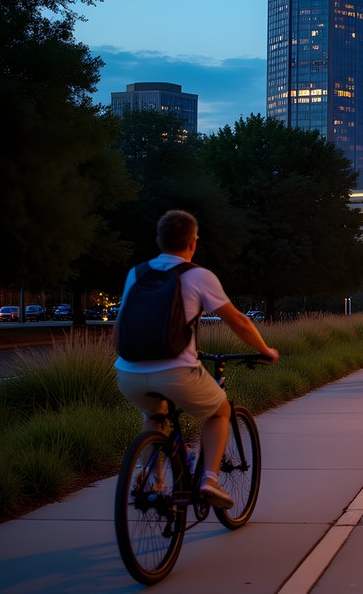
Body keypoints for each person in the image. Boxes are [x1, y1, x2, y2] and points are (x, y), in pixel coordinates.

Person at [113, 210, 279, 510]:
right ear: (193, 243)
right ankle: (209, 481)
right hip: (176, 371)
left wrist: (130, 360)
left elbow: (119, 326)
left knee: (155, 416)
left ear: (158, 241)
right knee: (220, 412)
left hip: (129, 373)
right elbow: (238, 321)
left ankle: (155, 484)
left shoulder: (136, 274)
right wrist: (265, 350)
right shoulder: (198, 275)